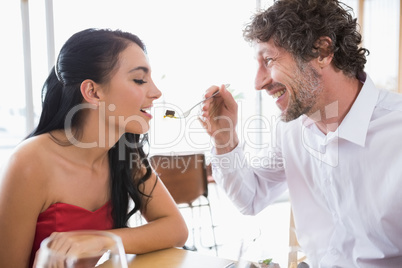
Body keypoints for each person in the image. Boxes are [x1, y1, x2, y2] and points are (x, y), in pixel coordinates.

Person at [200, 0, 402, 267]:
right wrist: (224, 139)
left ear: (322, 51)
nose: (258, 82)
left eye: (269, 60)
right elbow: (250, 199)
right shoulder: (291, 129)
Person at [0, 28, 188, 267]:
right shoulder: (29, 163)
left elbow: (176, 228)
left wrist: (102, 240)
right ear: (93, 91)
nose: (156, 92)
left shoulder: (124, 155)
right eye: (140, 80)